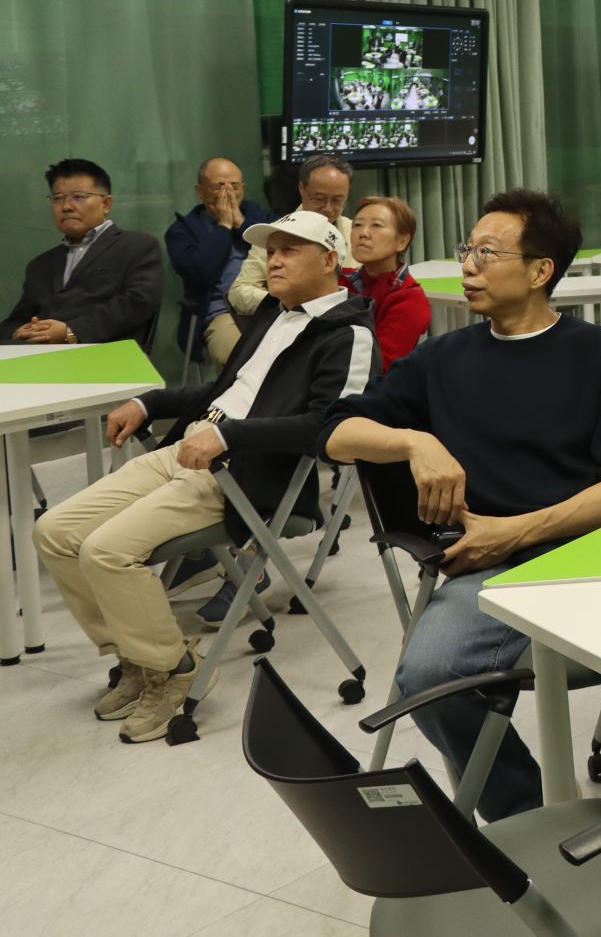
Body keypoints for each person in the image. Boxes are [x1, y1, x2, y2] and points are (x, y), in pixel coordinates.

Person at [319, 189, 601, 821]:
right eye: (468, 249)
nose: (467, 266)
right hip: (492, 571)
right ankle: (526, 818)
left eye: (487, 253)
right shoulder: (444, 358)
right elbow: (334, 430)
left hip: (600, 555)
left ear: (540, 270)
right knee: (427, 677)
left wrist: (516, 531)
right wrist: (414, 440)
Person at [32, 211, 375, 742]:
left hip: (244, 473)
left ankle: (175, 670)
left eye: (289, 250)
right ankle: (137, 659)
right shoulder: (271, 312)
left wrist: (229, 436)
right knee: (54, 531)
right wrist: (149, 403)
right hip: (192, 446)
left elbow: (329, 429)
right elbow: (222, 391)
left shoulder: (349, 333)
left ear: (330, 259)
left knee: (106, 551)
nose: (274, 261)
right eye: (271, 251)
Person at [3, 158, 163, 347]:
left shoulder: (137, 246)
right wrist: (17, 332)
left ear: (106, 204)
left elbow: (138, 303)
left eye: (78, 196)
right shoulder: (40, 264)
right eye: (57, 198)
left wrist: (70, 334)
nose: (66, 206)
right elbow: (19, 317)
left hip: (105, 355)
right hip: (34, 354)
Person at [164, 157, 273, 366]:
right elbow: (202, 273)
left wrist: (241, 223)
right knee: (239, 360)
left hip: (268, 304)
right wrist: (224, 225)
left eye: (234, 186)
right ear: (200, 190)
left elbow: (283, 248)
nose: (227, 193)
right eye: (219, 187)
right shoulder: (182, 231)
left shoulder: (258, 215)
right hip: (221, 312)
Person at [226, 155, 354, 325]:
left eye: (338, 200)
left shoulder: (355, 231)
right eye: (319, 199)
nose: (328, 208)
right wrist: (288, 302)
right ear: (302, 189)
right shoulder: (274, 234)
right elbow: (239, 292)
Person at [341, 196, 429, 367]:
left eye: (376, 225)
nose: (363, 233)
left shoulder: (410, 299)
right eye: (357, 225)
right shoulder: (339, 280)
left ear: (402, 241)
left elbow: (378, 365)